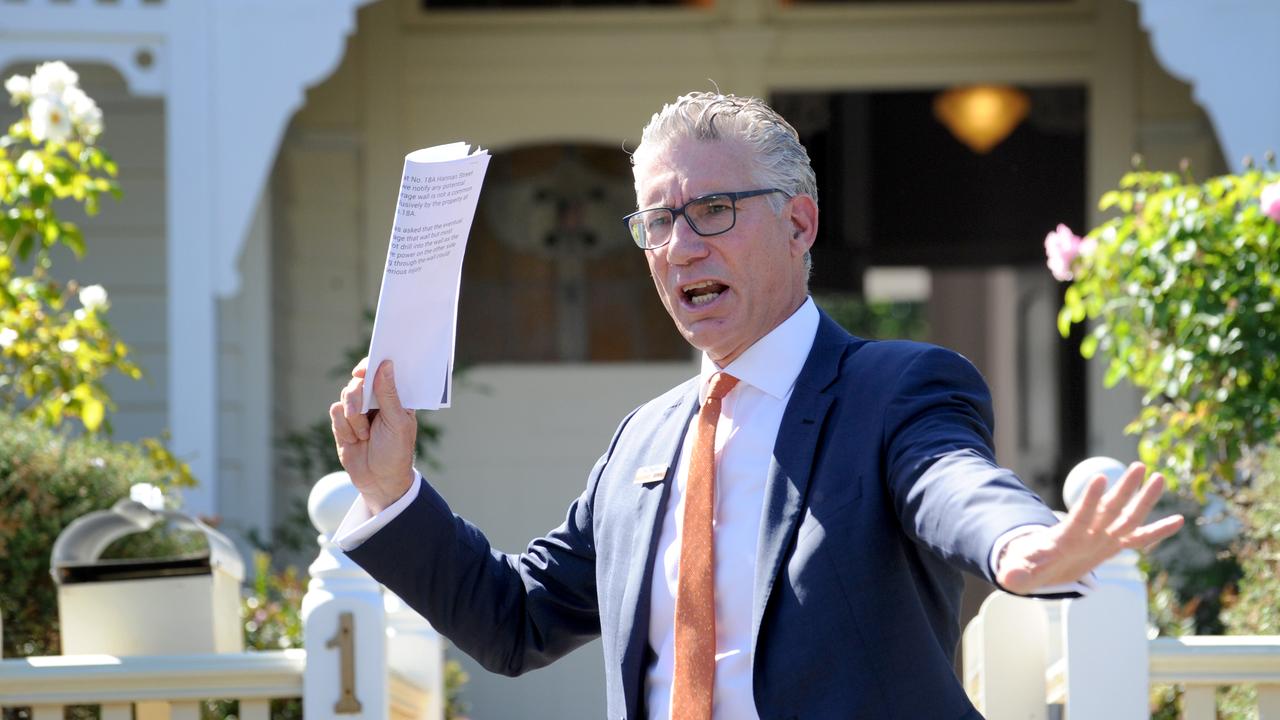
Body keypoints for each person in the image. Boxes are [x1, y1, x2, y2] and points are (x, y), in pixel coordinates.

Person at [329, 92, 1183, 720]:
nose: (680, 244)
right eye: (658, 221)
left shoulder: (896, 387)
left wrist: (1018, 545)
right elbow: (514, 623)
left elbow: (949, 480)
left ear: (800, 225)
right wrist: (392, 490)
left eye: (713, 209)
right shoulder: (642, 443)